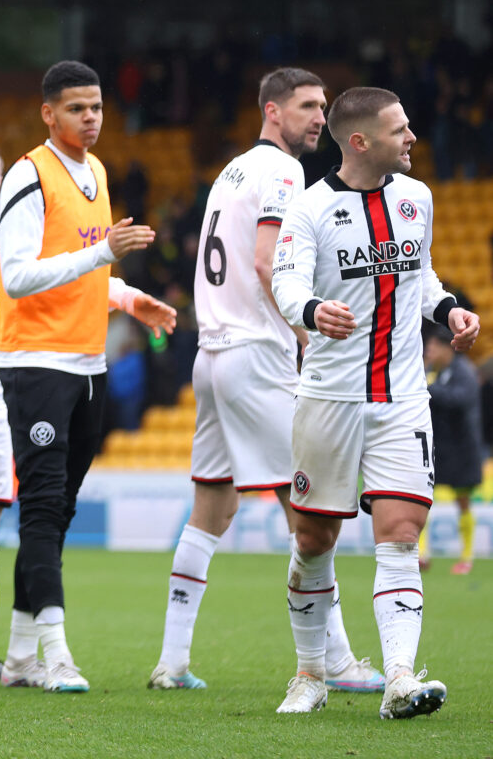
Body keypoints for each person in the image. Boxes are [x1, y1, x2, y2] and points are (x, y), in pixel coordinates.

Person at [151, 69, 381, 693]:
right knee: (309, 510)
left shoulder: (233, 170)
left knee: (212, 508)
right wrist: (307, 335)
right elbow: (264, 258)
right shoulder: (283, 172)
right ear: (272, 111)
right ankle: (334, 660)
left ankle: (172, 663)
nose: (319, 118)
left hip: (214, 355)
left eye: (324, 107)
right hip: (256, 351)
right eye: (308, 106)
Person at [271, 86, 479, 718]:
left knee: (401, 533)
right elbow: (285, 280)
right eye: (400, 129)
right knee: (313, 538)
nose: (413, 137)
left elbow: (422, 278)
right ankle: (310, 672)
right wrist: (310, 311)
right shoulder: (308, 209)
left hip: (402, 397)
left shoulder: (418, 199)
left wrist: (448, 309)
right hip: (330, 398)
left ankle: (398, 681)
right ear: (359, 141)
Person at [0, 61, 175, 693]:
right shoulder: (28, 174)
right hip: (36, 361)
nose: (90, 118)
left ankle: (17, 658)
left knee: (58, 510)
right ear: (48, 113)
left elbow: (83, 270)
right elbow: (15, 276)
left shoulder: (95, 172)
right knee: (43, 507)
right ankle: (55, 654)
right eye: (76, 108)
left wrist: (128, 298)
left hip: (88, 359)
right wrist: (104, 254)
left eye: (96, 107)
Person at [420, 323, 483, 574]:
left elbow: (460, 400)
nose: (429, 349)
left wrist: (429, 390)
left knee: (463, 501)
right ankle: (421, 554)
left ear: (449, 348)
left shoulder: (464, 372)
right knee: (423, 499)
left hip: (462, 450)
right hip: (438, 448)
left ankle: (466, 557)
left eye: (434, 345)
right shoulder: (430, 371)